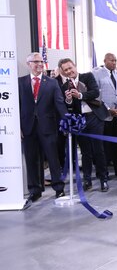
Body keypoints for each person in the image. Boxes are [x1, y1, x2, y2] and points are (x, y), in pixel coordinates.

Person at [18, 52, 67, 201]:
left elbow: (59, 104)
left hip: (48, 127)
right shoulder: (20, 82)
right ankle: (35, 190)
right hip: (28, 128)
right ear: (29, 64)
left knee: (53, 159)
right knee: (32, 160)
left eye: (41, 61)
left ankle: (59, 188)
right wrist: (17, 127)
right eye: (36, 61)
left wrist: (67, 121)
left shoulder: (52, 83)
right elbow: (17, 106)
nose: (39, 64)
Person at [58, 58, 110, 192]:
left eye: (70, 68)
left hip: (95, 117)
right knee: (85, 152)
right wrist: (69, 100)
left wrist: (80, 95)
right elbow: (67, 106)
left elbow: (95, 92)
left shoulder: (87, 76)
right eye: (66, 70)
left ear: (75, 66)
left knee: (99, 149)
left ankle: (103, 179)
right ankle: (87, 180)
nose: (69, 71)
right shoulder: (64, 87)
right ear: (63, 73)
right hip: (80, 121)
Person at [92, 53, 117, 178]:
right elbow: (96, 95)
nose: (114, 63)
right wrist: (109, 109)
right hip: (105, 116)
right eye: (111, 60)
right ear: (105, 61)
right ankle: (103, 173)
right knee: (104, 146)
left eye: (115, 60)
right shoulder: (97, 74)